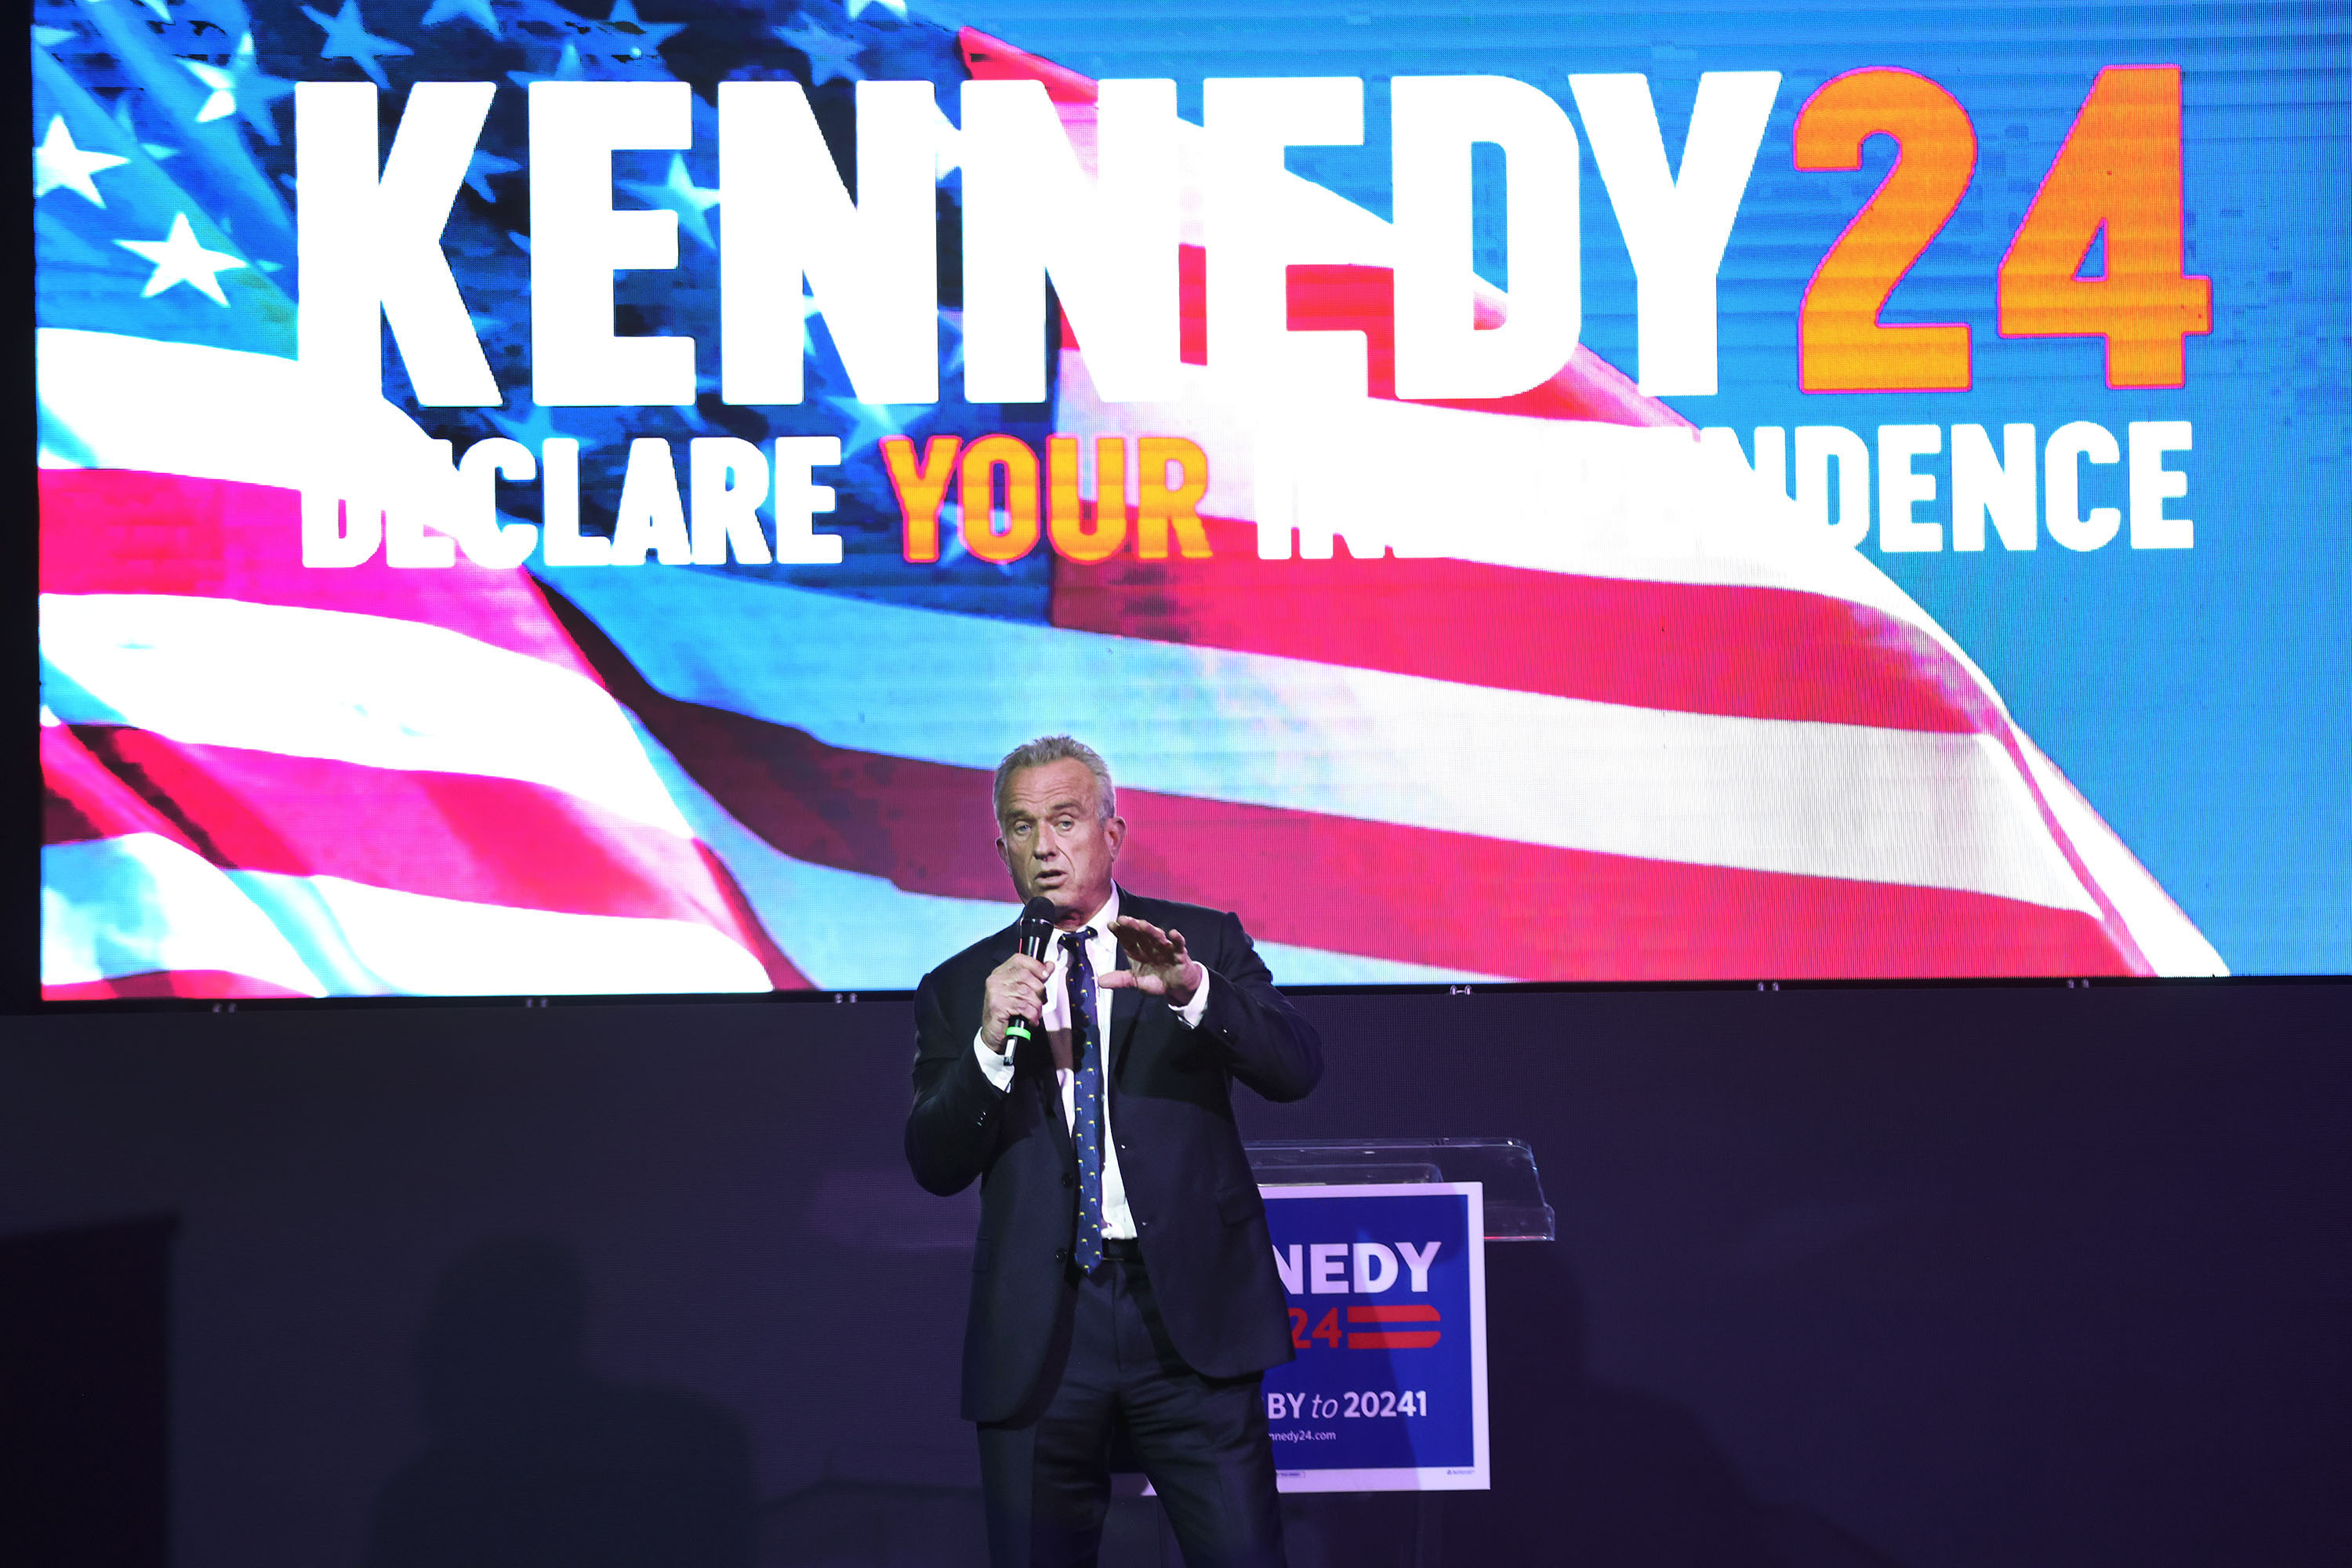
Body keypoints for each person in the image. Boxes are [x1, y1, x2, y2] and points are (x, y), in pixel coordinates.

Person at [905, 735, 1323, 1567]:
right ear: (1002, 847)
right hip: (1044, 1327)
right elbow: (935, 1161)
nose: (1044, 846)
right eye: (1022, 827)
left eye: (1065, 820)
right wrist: (989, 1045)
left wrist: (1196, 992)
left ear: (1112, 831)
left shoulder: (1197, 941)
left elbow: (1296, 1066)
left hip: (1188, 1321)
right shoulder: (963, 986)